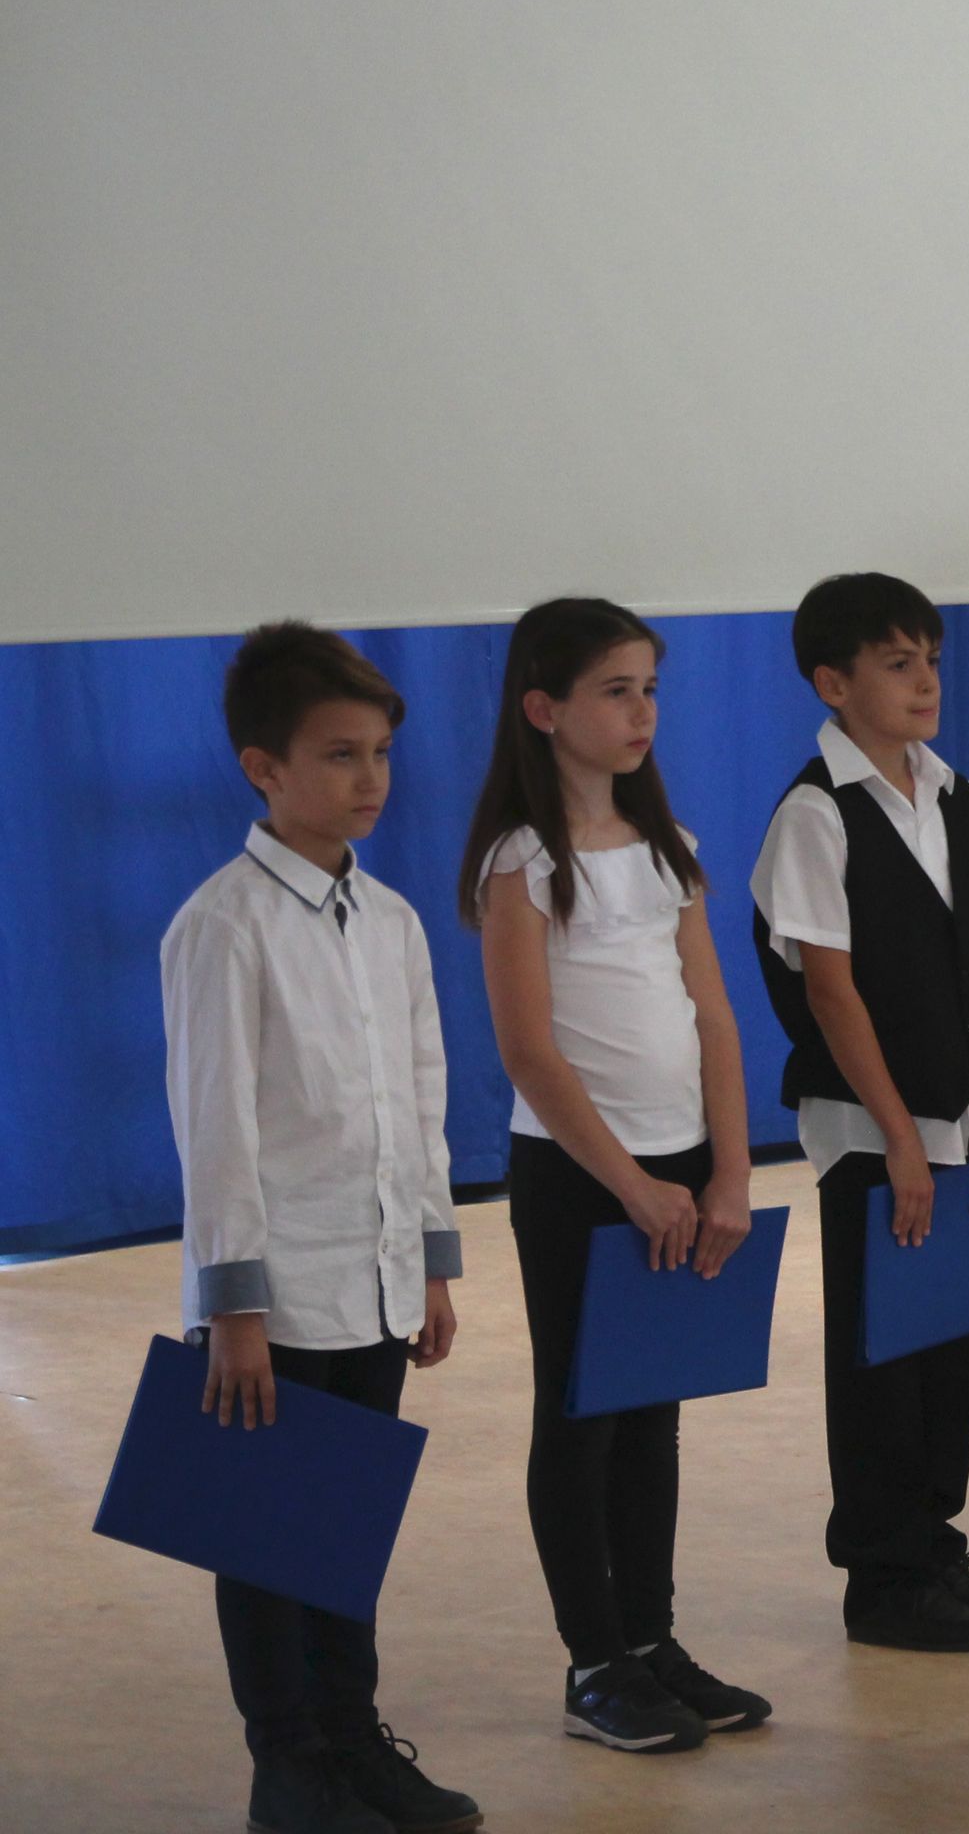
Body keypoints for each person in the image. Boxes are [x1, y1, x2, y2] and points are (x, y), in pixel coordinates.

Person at [161, 624, 481, 1834]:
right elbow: (217, 1128)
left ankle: (354, 1738)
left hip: (377, 1279)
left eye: (381, 752)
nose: (370, 778)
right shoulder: (223, 924)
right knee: (266, 1530)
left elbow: (422, 1092)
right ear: (264, 767)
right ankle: (288, 1764)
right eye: (340, 754)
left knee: (345, 1520)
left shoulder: (391, 919)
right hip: (279, 1294)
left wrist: (431, 1259)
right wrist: (234, 1305)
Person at [460, 599, 769, 1754]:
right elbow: (529, 1051)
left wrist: (729, 1168)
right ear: (544, 709)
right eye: (615, 690)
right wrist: (634, 1184)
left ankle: (650, 1637)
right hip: (582, 1174)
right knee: (583, 1413)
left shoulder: (666, 842)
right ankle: (594, 1661)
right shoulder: (521, 860)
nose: (643, 712)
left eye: (651, 689)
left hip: (684, 1167)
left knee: (653, 1413)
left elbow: (714, 1014)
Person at [749, 573, 969, 1652]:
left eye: (933, 660)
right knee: (883, 1356)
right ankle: (883, 1575)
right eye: (899, 663)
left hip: (967, 1119)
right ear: (834, 684)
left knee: (953, 1343)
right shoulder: (815, 814)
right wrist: (903, 1139)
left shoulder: (954, 792)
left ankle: (933, 1545)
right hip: (875, 1133)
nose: (927, 682)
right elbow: (832, 991)